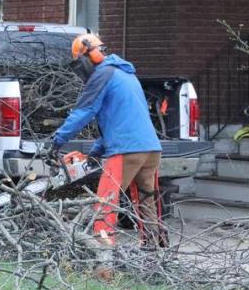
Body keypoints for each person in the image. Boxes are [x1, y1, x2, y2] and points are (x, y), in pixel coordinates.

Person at [52, 34, 166, 249]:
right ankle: (155, 251)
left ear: (89, 56)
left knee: (105, 203)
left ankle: (103, 259)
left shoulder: (102, 74)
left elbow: (85, 111)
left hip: (127, 150)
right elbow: (120, 120)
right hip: (150, 149)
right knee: (146, 200)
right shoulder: (125, 73)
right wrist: (96, 151)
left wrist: (57, 140)